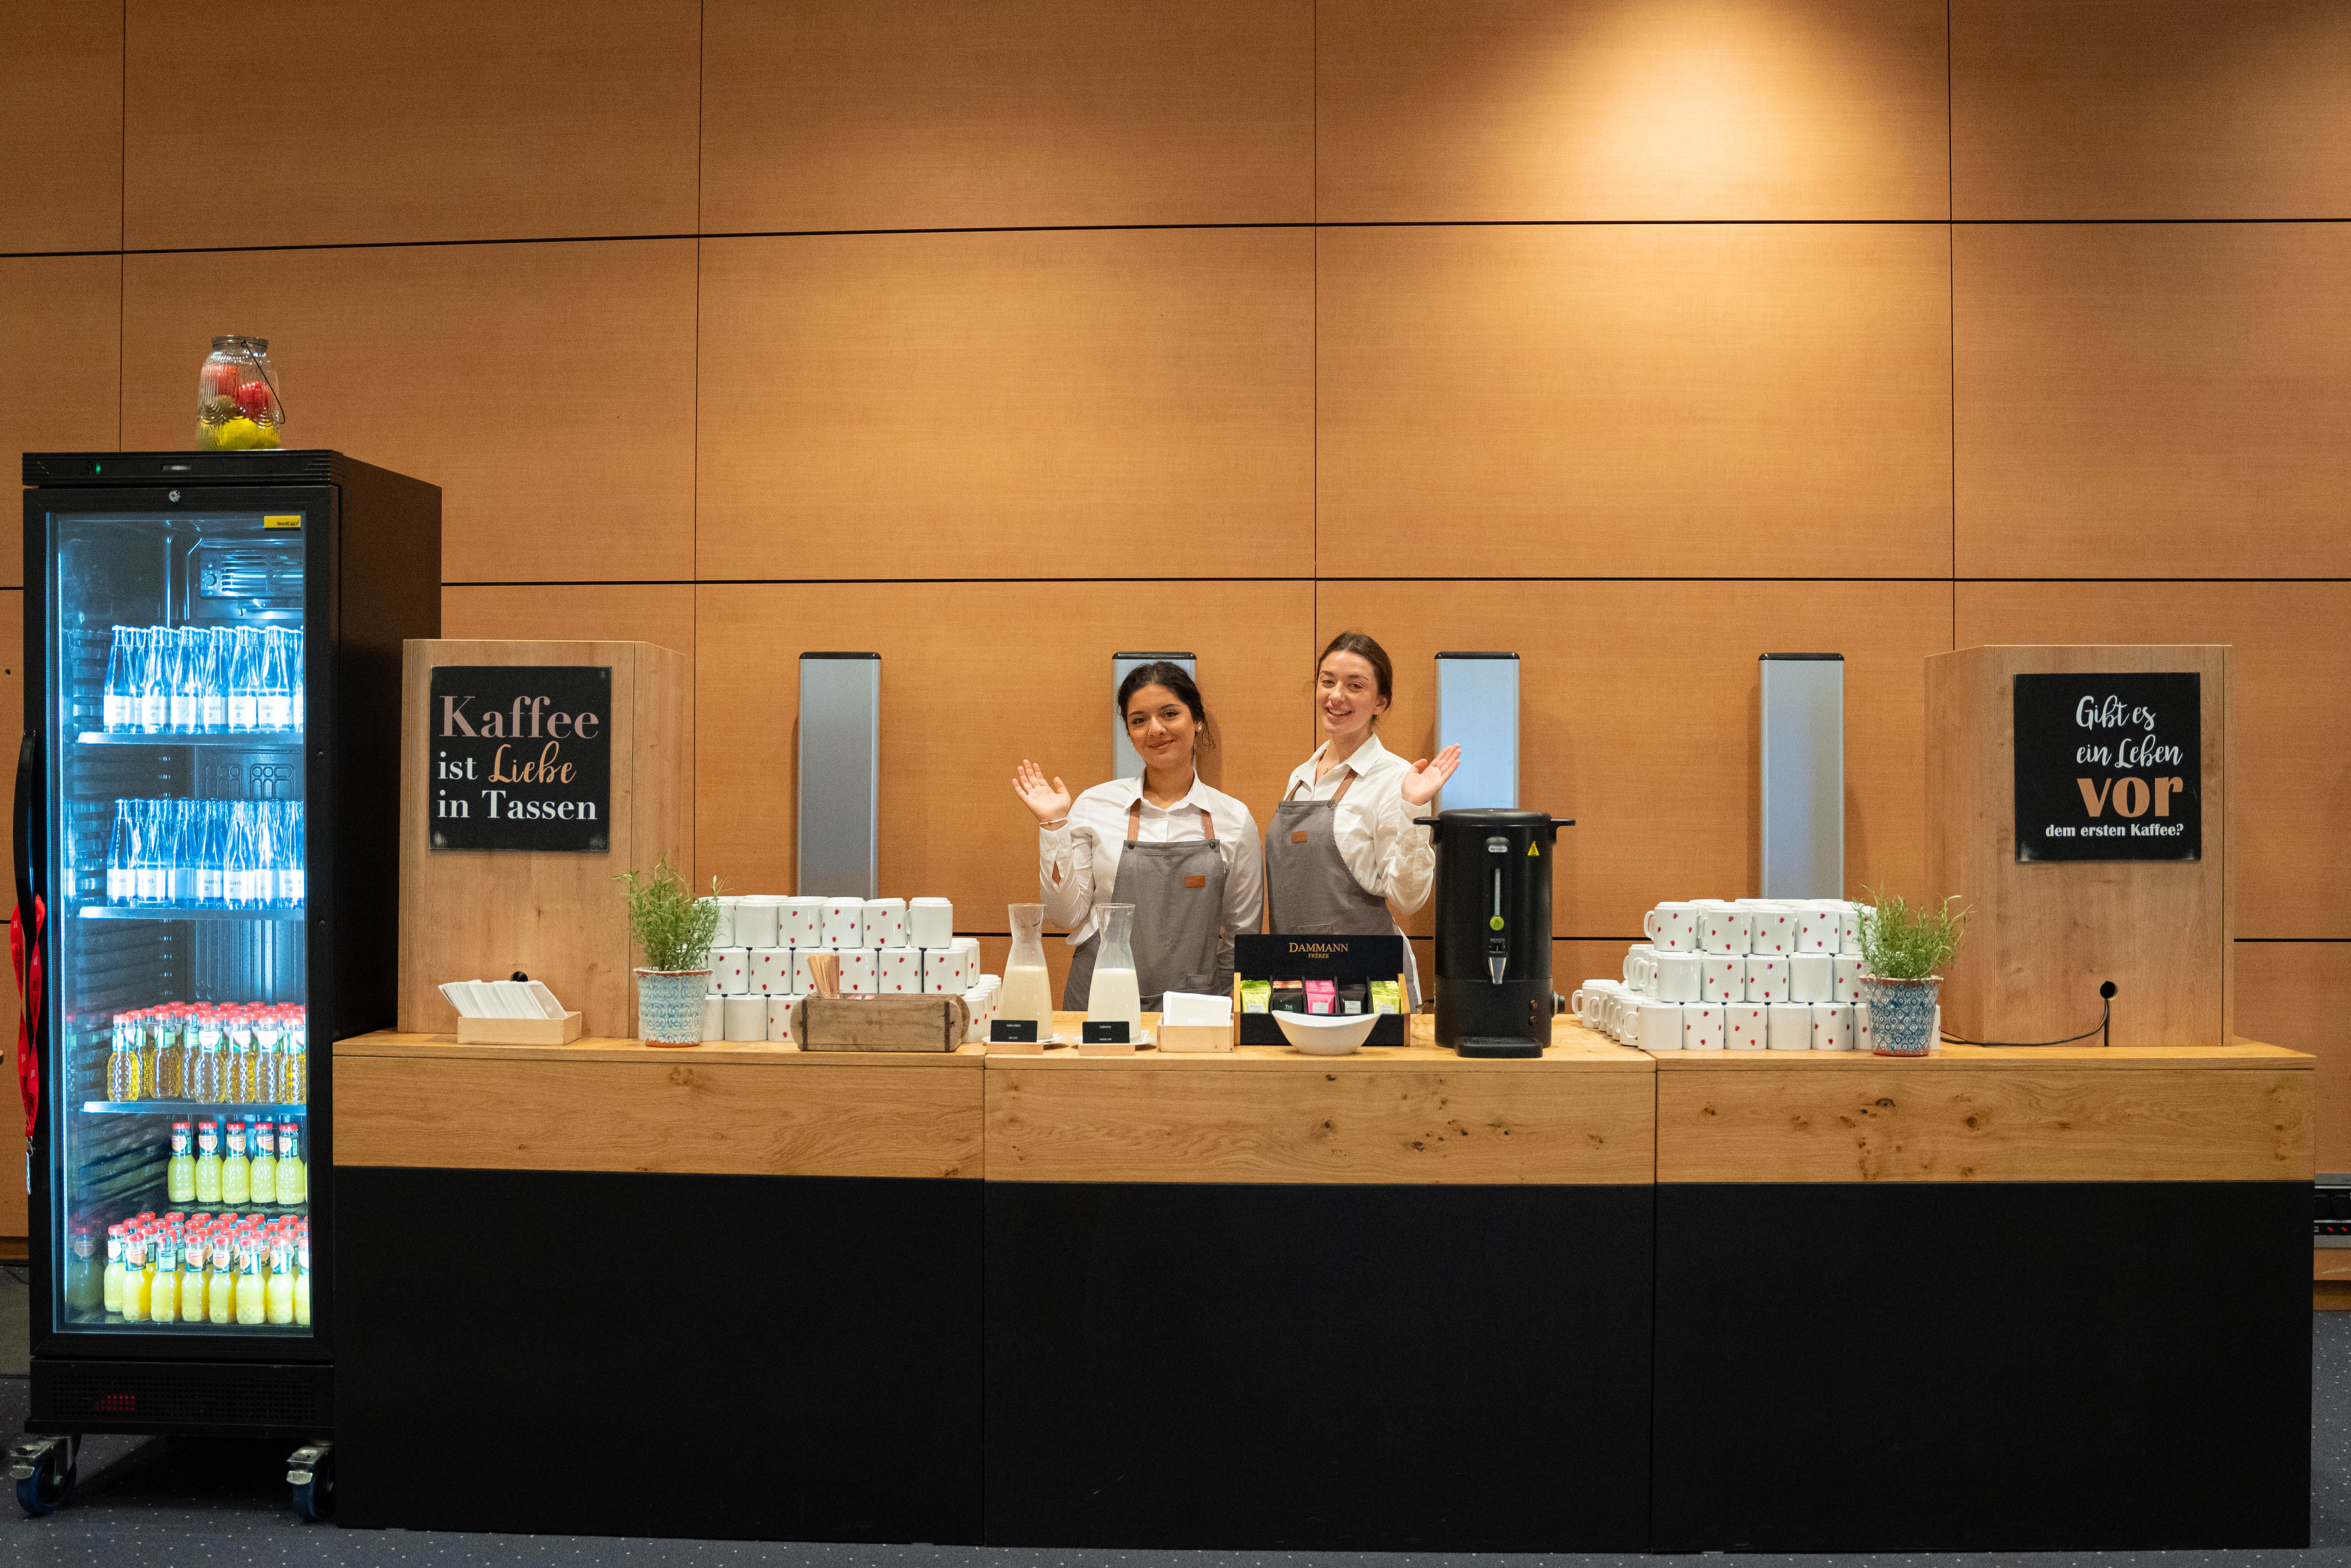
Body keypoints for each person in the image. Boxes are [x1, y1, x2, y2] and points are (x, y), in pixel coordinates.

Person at [1014, 662, 1263, 1012]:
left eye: (1170, 713)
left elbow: (1242, 939)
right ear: (1129, 734)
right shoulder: (1094, 805)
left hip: (1196, 1009)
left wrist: (1226, 1012)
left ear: (1197, 719)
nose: (1155, 729)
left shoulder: (1233, 819)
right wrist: (1054, 825)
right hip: (1099, 1002)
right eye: (1139, 720)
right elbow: (1065, 916)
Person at [1264, 631, 1459, 1008]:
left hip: (1370, 983)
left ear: (1379, 702)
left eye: (1355, 686)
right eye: (1327, 682)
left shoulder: (1396, 779)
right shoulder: (1300, 777)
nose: (1336, 696)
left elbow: (1408, 899)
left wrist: (1412, 809)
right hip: (1296, 976)